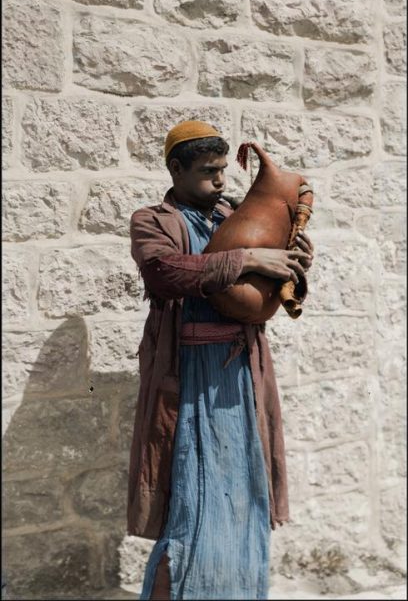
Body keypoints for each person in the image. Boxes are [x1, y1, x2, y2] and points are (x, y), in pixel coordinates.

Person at [127, 120, 314, 600]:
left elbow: (265, 288)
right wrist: (249, 257)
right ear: (175, 169)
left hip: (242, 377)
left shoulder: (234, 214)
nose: (220, 181)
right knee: (191, 499)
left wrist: (293, 264)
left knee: (246, 498)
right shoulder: (153, 221)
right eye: (208, 171)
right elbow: (162, 272)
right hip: (189, 378)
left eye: (223, 171)